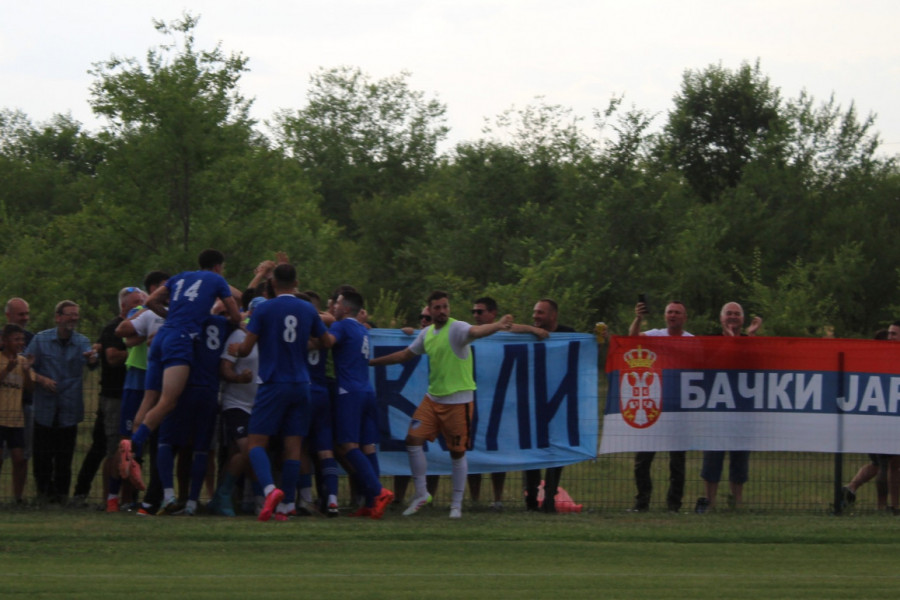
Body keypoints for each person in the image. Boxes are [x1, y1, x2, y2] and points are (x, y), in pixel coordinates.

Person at [370, 291, 513, 519]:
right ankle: (421, 494)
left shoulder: (457, 328)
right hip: (433, 399)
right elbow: (405, 355)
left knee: (457, 453)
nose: (442, 311)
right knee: (412, 440)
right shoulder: (427, 333)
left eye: (445, 306)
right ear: (430, 310)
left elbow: (476, 331)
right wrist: (372, 362)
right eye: (437, 307)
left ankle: (456, 505)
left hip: (458, 401)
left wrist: (497, 325)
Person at [122, 249, 241, 489]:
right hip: (180, 339)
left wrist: (171, 316)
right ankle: (134, 445)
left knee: (149, 399)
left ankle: (133, 455)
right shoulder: (217, 279)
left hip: (162, 336)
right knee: (168, 402)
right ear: (218, 267)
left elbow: (150, 301)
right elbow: (236, 314)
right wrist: (225, 319)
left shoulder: (180, 276)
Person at [227, 263, 333, 522]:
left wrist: (236, 349)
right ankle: (287, 505)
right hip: (302, 383)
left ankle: (269, 490)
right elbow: (326, 341)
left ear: (273, 284)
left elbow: (246, 348)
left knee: (256, 443)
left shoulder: (264, 308)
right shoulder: (307, 309)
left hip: (274, 382)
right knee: (293, 446)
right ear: (296, 283)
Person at [468, 296, 547, 510]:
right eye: (474, 312)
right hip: (474, 398)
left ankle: (498, 498)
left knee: (497, 452)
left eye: (480, 311)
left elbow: (514, 328)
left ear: (493, 313)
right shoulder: (471, 333)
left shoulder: (502, 332)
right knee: (472, 453)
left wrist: (533, 329)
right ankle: (474, 500)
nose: (476, 315)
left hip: (499, 401)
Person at [72, 286, 145, 511]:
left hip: (137, 394)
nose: (141, 306)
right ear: (123, 306)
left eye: (143, 301)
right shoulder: (114, 327)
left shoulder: (142, 325)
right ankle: (109, 499)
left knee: (133, 449)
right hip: (115, 396)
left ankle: (127, 499)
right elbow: (112, 357)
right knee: (114, 449)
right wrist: (134, 349)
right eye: (136, 302)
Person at [26, 300, 100, 503]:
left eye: (76, 315)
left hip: (69, 408)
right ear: (58, 317)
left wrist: (93, 359)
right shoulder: (41, 340)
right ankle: (43, 494)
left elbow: (92, 362)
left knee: (64, 456)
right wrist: (42, 379)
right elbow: (25, 366)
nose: (74, 318)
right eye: (70, 314)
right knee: (42, 456)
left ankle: (61, 496)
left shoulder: (82, 341)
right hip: (45, 407)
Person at [331, 290, 394, 518]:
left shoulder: (342, 326)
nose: (334, 307)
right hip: (367, 390)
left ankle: (378, 492)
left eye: (337, 303)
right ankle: (371, 502)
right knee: (368, 447)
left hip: (349, 392)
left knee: (348, 446)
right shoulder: (362, 328)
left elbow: (328, 341)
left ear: (346, 308)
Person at [695, 301, 761, 513]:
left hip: (742, 409)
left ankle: (737, 503)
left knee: (740, 457)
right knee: (712, 456)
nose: (733, 317)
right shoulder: (710, 342)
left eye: (737, 314)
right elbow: (709, 365)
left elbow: (755, 364)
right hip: (716, 409)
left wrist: (750, 336)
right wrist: (730, 342)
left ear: (743, 319)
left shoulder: (750, 341)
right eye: (729, 313)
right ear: (721, 318)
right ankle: (711, 502)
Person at [627, 299, 692, 512]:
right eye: (670, 312)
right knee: (643, 459)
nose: (673, 315)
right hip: (652, 407)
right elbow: (632, 338)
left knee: (677, 462)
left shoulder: (692, 341)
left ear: (684, 317)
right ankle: (641, 502)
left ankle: (674, 505)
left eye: (677, 312)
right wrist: (638, 318)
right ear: (665, 316)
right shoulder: (655, 335)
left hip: (678, 409)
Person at [524, 298, 574, 513]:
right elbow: (508, 329)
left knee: (556, 449)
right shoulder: (528, 333)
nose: (535, 316)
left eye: (540, 313)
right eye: (534, 312)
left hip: (559, 401)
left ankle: (550, 498)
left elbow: (585, 352)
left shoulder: (568, 333)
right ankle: (531, 497)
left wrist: (599, 341)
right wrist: (532, 330)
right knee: (531, 448)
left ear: (553, 316)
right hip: (533, 400)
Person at [0, 324, 34, 503]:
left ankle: (18, 498)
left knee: (20, 459)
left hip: (16, 420)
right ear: (5, 341)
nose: (21, 343)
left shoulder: (22, 361)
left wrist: (27, 371)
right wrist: (7, 369)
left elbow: (30, 388)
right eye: (16, 339)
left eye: (22, 339)